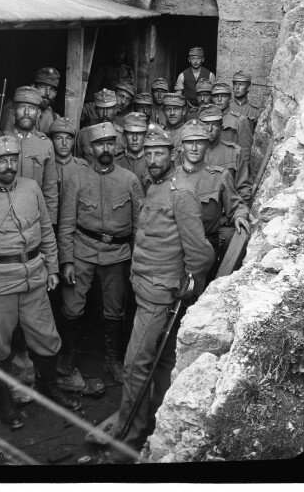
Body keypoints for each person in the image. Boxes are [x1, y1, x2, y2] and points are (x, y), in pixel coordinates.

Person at [0, 136, 80, 430]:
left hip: (35, 279)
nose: (9, 166)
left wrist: (52, 268)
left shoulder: (31, 188)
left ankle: (50, 389)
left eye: (13, 160)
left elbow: (46, 231)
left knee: (47, 339)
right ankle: (4, 404)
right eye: (2, 161)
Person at [112, 124, 215, 461]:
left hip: (160, 293)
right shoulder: (154, 185)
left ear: (173, 155)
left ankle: (129, 432)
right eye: (149, 153)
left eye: (160, 153)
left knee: (134, 363)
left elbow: (200, 254)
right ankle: (152, 418)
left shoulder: (180, 192)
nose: (153, 159)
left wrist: (188, 284)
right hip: (144, 285)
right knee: (159, 362)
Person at [57, 122, 144, 384]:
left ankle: (112, 359)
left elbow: (140, 225)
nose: (105, 148)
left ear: (116, 146)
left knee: (115, 309)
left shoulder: (130, 180)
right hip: (82, 250)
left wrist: (137, 258)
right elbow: (66, 224)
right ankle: (70, 356)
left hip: (117, 254)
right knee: (72, 306)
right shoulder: (78, 180)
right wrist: (67, 261)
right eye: (99, 144)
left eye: (109, 143)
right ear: (90, 148)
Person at [174, 120, 250, 286]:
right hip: (173, 248)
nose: (194, 148)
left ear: (207, 146)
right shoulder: (171, 177)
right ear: (182, 146)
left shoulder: (219, 177)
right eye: (189, 143)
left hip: (206, 248)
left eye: (199, 143)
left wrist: (239, 215)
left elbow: (237, 206)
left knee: (197, 298)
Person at [2, 86, 58, 227]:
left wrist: (49, 225)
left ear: (39, 113)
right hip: (3, 219)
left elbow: (50, 189)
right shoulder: (0, 141)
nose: (26, 113)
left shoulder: (46, 145)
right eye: (22, 108)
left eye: (32, 108)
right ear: (13, 111)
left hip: (33, 220)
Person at [199, 104, 252, 206]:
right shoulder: (188, 153)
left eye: (214, 124)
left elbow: (243, 188)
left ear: (221, 128)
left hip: (227, 214)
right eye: (205, 124)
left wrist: (239, 214)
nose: (209, 129)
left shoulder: (234, 152)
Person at [0, 67, 61, 136]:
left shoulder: (54, 117)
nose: (48, 93)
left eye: (52, 89)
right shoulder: (15, 110)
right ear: (33, 86)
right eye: (43, 87)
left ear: (55, 93)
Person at [49, 116, 89, 209]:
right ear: (51, 141)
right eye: (59, 138)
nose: (64, 143)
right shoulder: (46, 167)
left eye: (68, 138)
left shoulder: (82, 167)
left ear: (73, 141)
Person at [76, 89, 125, 164]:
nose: (105, 114)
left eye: (109, 109)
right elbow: (78, 164)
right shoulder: (83, 134)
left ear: (115, 110)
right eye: (101, 109)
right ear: (95, 110)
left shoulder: (123, 135)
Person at [211, 81, 253, 166]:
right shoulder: (207, 121)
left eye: (223, 96)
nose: (219, 100)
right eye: (216, 96)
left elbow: (245, 153)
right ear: (212, 99)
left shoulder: (240, 120)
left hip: (231, 167)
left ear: (230, 98)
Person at [117, 112, 148, 183]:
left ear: (145, 136)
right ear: (124, 136)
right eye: (130, 133)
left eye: (139, 134)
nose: (134, 138)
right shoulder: (116, 163)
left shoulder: (152, 163)